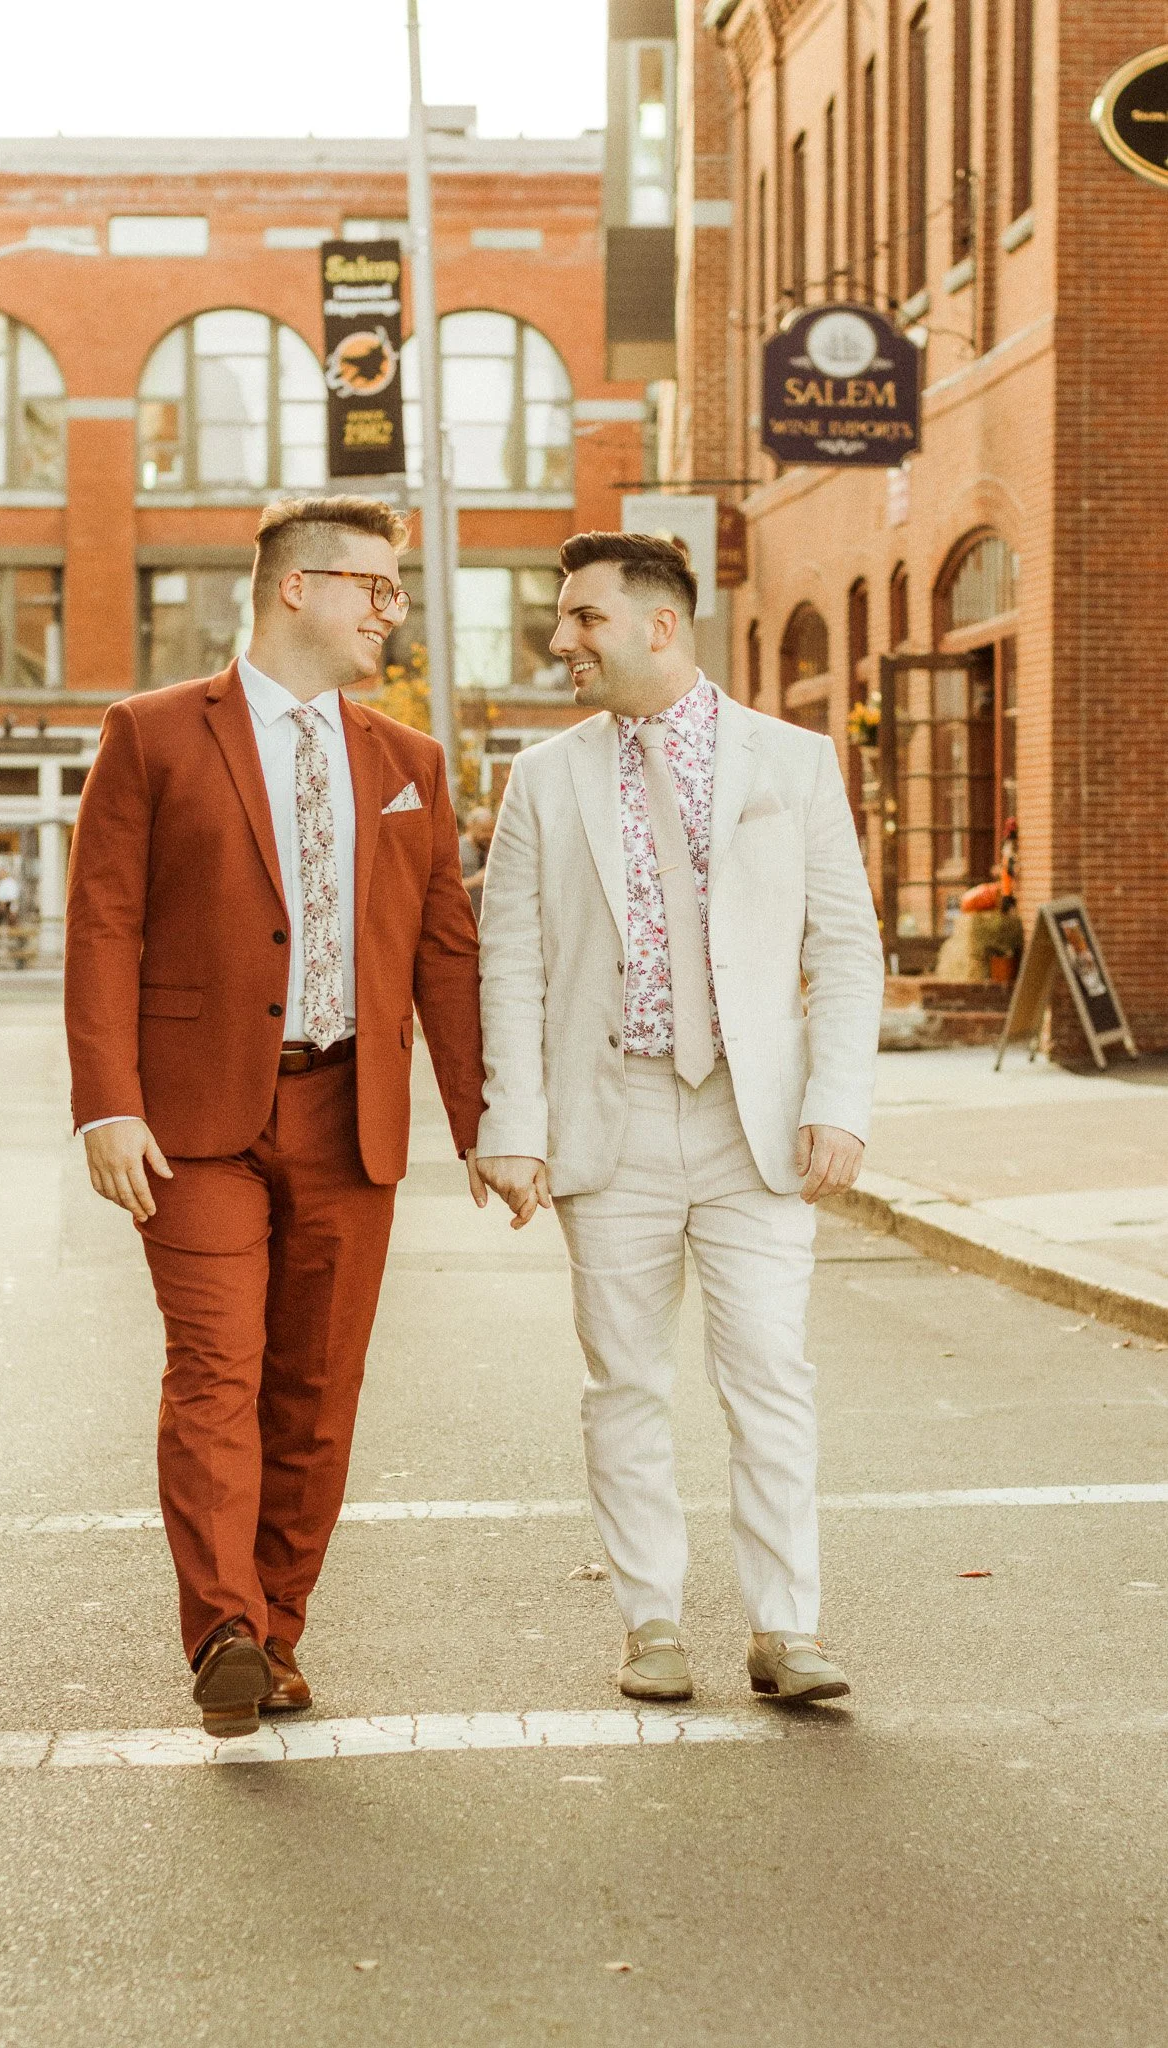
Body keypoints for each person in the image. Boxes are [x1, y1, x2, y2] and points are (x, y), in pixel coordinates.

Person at [64, 496, 487, 1738]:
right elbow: (103, 924)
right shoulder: (148, 734)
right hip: (193, 1120)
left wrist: (488, 1123)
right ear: (297, 586)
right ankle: (224, 1628)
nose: (391, 612)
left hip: (350, 1111)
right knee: (217, 1367)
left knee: (316, 1386)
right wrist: (105, 1103)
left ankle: (278, 1632)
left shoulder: (412, 762)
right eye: (377, 588)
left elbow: (446, 956)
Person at [474, 532, 883, 1706]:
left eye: (584, 619)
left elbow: (846, 948)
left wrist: (838, 1099)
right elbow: (510, 964)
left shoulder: (793, 764)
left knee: (769, 1373)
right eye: (563, 619)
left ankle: (786, 1627)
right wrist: (516, 1119)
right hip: (614, 1114)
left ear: (661, 625)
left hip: (753, 1122)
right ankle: (650, 1619)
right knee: (626, 1382)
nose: (563, 642)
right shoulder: (545, 779)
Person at [458, 805, 495, 921]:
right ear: (470, 827)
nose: (488, 835)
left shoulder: (487, 850)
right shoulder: (458, 850)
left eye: (491, 831)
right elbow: (447, 887)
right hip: (463, 919)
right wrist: (475, 881)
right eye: (484, 830)